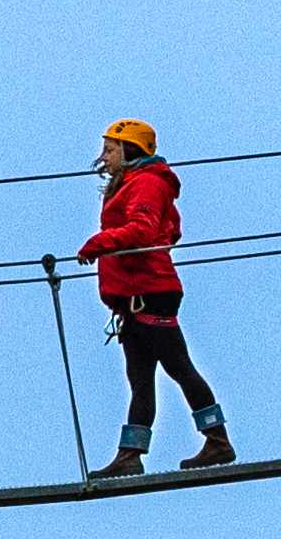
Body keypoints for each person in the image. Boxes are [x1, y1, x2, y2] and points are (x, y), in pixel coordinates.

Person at [81, 119, 235, 480]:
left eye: (110, 149)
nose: (103, 157)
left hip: (150, 292)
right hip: (133, 297)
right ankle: (130, 454)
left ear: (129, 151)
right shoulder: (130, 184)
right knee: (140, 377)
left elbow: (145, 229)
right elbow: (171, 228)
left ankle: (217, 438)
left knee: (178, 367)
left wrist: (98, 244)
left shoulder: (147, 183)